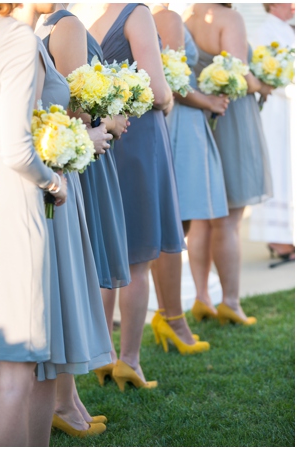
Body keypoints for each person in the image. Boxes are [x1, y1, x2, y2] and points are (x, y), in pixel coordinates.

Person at [73, 2, 185, 390]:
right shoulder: (136, 13)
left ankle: (103, 356)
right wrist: (171, 97)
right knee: (138, 259)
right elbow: (155, 88)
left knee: (111, 254)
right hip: (140, 141)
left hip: (109, 146)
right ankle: (130, 361)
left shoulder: (96, 21)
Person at [34, 3, 119, 437]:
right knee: (66, 282)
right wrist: (108, 119)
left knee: (67, 282)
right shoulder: (65, 25)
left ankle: (69, 398)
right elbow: (73, 110)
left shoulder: (45, 24)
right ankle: (62, 403)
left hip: (61, 160)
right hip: (62, 164)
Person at [0, 3, 67, 446]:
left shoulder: (2, 34)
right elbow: (17, 149)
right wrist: (54, 181)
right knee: (17, 373)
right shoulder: (21, 40)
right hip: (23, 205)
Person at [184, 3, 276, 326]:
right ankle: (231, 302)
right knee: (227, 221)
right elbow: (240, 74)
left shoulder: (189, 19)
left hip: (200, 120)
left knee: (202, 219)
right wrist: (264, 85)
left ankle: (201, 298)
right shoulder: (230, 19)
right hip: (231, 119)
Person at [148, 3, 221, 354]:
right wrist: (208, 101)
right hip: (179, 124)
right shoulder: (168, 18)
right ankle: (172, 317)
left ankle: (167, 314)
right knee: (176, 227)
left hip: (182, 124)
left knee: (177, 225)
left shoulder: (161, 17)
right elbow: (172, 83)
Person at [248, 3, 296, 262]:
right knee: (277, 167)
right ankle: (276, 236)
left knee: (288, 170)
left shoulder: (287, 31)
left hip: (288, 107)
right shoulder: (263, 31)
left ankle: (286, 233)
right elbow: (263, 73)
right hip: (275, 107)